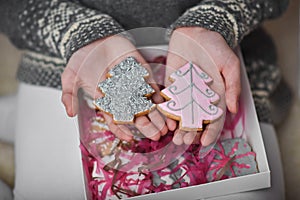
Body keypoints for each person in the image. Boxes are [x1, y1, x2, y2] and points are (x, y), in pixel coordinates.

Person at [0, 0, 291, 199]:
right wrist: (81, 33)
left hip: (218, 54)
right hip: (70, 60)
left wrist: (215, 20)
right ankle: (16, 116)